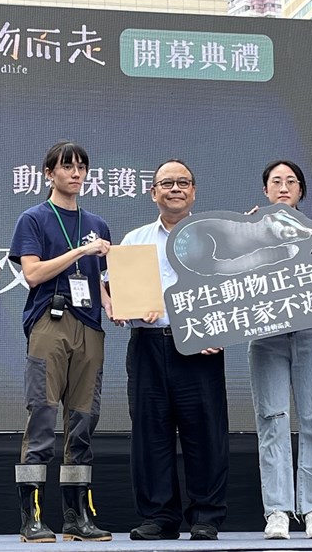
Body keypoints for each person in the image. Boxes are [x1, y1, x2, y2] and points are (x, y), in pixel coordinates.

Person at [9, 141, 113, 543]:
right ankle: (31, 516)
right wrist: (80, 251)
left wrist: (115, 305)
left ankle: (77, 517)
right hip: (49, 322)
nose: (75, 173)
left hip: (90, 324)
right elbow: (32, 274)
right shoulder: (33, 218)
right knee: (42, 417)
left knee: (83, 421)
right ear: (48, 173)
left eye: (82, 167)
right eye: (66, 166)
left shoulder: (98, 223)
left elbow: (102, 282)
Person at [119, 159, 228, 542]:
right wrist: (120, 307)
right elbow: (114, 289)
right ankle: (159, 517)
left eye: (183, 182)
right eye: (167, 183)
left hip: (202, 344)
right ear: (153, 193)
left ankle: (206, 516)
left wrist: (222, 327)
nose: (175, 189)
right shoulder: (134, 240)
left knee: (205, 433)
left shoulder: (216, 237)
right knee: (151, 433)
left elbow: (237, 289)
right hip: (149, 344)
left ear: (194, 191)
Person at [247, 159, 312, 540]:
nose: (283, 187)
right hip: (267, 336)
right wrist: (247, 231)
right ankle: (278, 511)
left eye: (291, 181)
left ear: (301, 191)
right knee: (272, 422)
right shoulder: (247, 233)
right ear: (265, 190)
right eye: (275, 181)